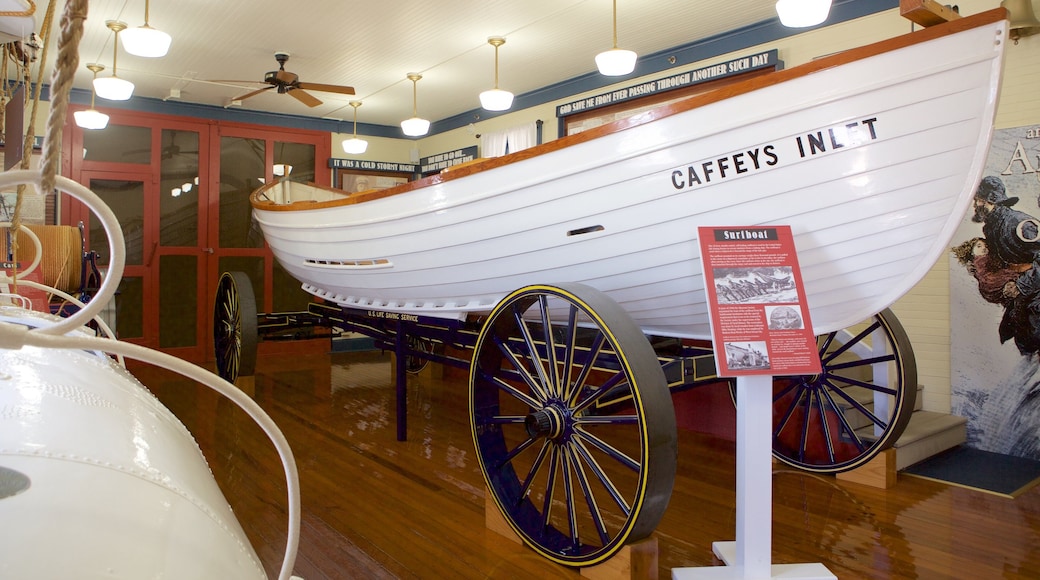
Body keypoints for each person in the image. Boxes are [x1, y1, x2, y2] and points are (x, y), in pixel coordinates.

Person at [970, 176, 1040, 355]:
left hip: (1034, 292)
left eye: (977, 200)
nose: (975, 205)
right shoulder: (991, 227)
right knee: (1022, 339)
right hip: (1022, 296)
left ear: (989, 201)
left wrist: (1021, 285)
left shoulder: (1020, 225)